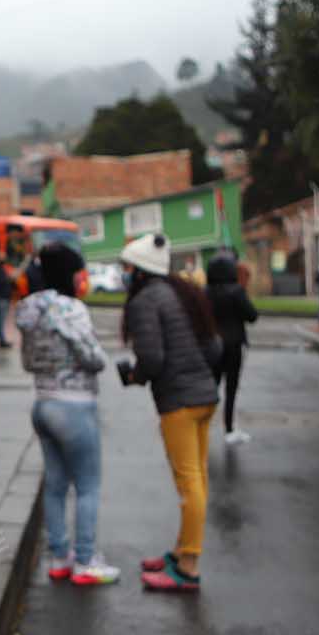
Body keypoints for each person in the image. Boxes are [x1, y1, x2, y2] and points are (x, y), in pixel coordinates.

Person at [117, 234, 222, 594]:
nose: (124, 274)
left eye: (127, 268)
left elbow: (152, 358)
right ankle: (180, 552)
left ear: (140, 271)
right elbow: (214, 347)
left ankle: (188, 567)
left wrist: (135, 376)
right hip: (205, 396)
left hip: (179, 401)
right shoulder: (184, 293)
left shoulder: (144, 302)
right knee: (198, 479)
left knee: (188, 482)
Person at [15, 244, 119, 585]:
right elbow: (94, 358)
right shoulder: (71, 309)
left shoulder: (29, 310)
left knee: (56, 485)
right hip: (74, 405)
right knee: (88, 486)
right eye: (78, 273)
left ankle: (60, 557)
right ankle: (86, 561)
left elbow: (27, 362)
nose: (81, 279)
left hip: (42, 403)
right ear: (68, 274)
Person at [206, 253, 259, 444]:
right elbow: (252, 315)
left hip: (212, 345)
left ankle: (203, 425)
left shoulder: (206, 292)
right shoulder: (236, 291)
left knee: (211, 386)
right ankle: (229, 428)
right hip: (234, 345)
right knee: (231, 388)